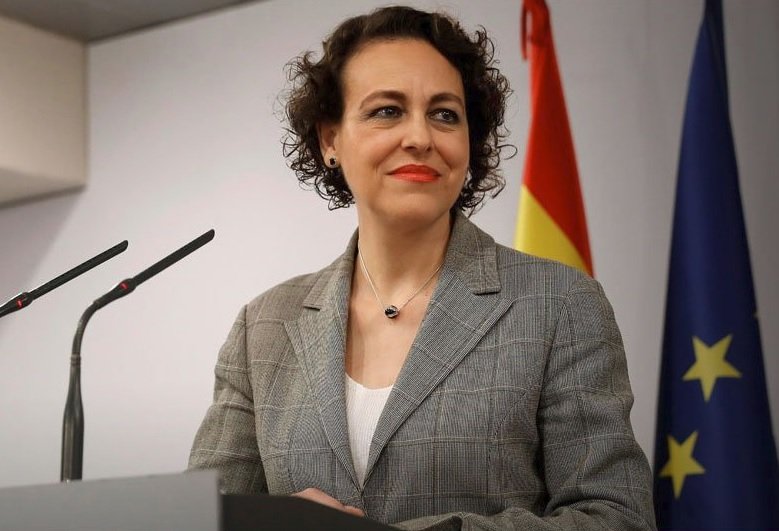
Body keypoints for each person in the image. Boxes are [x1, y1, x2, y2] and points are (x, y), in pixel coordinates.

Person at [189, 6, 655, 530]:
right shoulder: (262, 327)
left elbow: (618, 517)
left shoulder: (559, 303)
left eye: (445, 114)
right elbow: (202, 520)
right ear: (330, 140)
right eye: (387, 111)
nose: (420, 137)